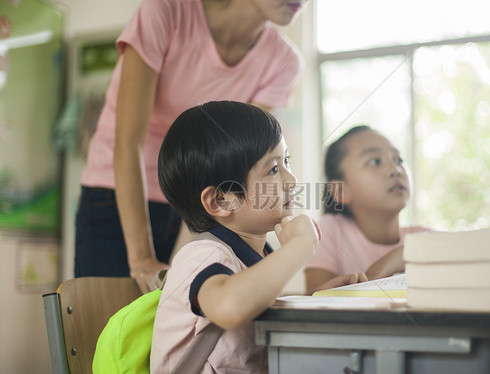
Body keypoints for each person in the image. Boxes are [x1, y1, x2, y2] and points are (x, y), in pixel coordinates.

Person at [74, 0, 307, 292]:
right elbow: (129, 141)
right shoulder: (165, 12)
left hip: (198, 200)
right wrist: (142, 259)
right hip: (118, 192)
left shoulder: (283, 62)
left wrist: (179, 271)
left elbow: (228, 167)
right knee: (105, 329)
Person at [153, 101, 353, 372]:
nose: (292, 180)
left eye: (287, 162)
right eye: (273, 169)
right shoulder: (201, 256)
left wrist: (315, 299)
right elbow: (230, 307)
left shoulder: (259, 254)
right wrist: (301, 244)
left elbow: (255, 309)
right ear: (222, 200)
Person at [305, 125, 429, 294]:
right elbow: (314, 301)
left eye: (399, 159)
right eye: (375, 161)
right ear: (341, 191)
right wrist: (373, 274)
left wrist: (404, 252)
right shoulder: (330, 230)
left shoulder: (423, 237)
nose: (395, 170)